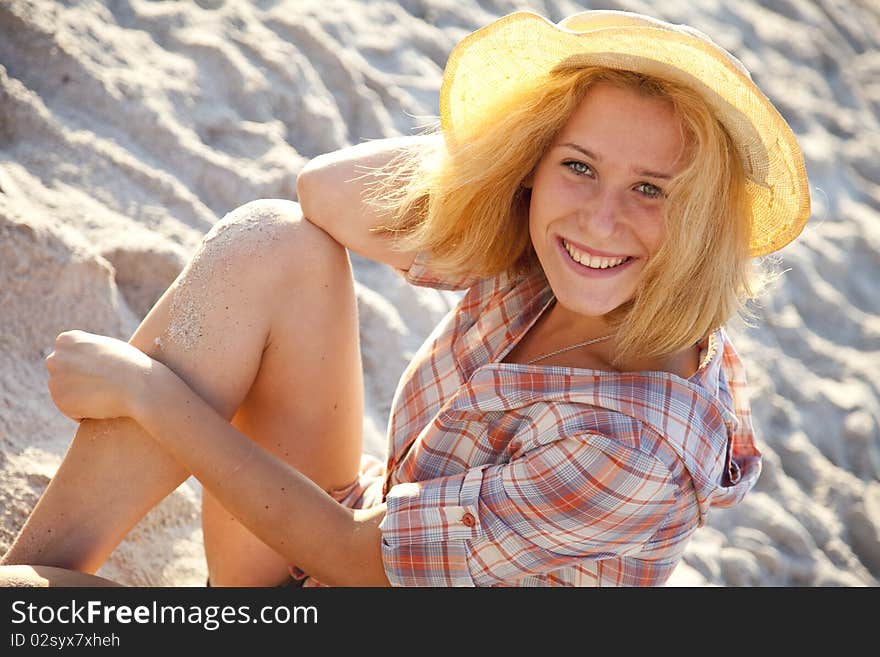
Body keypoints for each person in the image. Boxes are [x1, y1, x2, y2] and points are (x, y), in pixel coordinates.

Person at [0, 9, 809, 587]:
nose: (603, 218)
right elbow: (325, 195)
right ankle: (47, 559)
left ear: (701, 220)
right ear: (536, 161)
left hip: (354, 565)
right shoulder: (551, 259)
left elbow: (357, 558)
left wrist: (148, 393)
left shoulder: (636, 449)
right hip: (337, 549)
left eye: (652, 189)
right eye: (580, 165)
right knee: (273, 240)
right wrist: (504, 166)